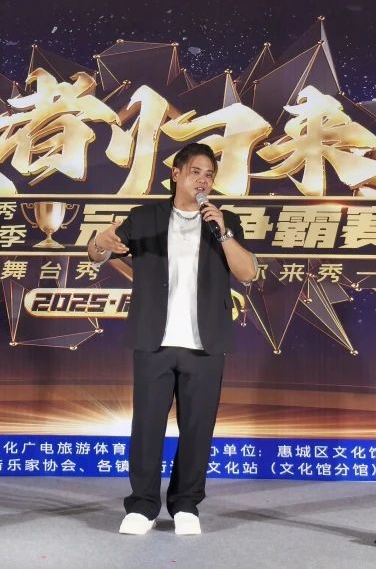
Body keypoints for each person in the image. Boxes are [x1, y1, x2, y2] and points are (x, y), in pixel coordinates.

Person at [87, 142, 258, 536]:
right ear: (176, 174)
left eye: (209, 175)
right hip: (155, 339)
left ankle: (186, 504)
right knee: (147, 426)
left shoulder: (224, 221)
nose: (203, 180)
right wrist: (100, 242)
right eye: (195, 171)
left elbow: (248, 272)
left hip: (205, 343)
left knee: (198, 428)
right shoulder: (145, 217)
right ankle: (142, 505)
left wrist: (224, 233)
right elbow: (97, 252)